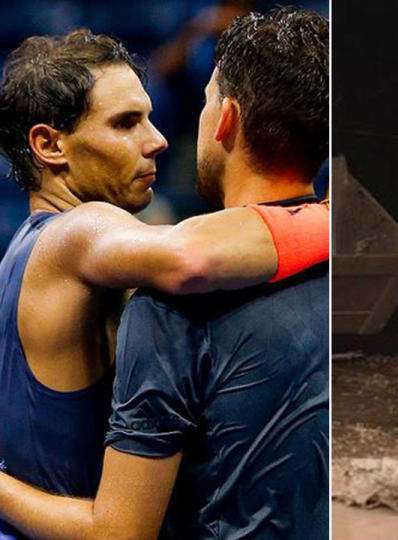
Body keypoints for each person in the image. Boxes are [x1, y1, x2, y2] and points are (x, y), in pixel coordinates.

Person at [0, 7, 328, 539]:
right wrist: (334, 217)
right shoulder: (75, 232)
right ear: (49, 145)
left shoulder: (41, 249)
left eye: (149, 117)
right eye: (125, 123)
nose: (157, 140)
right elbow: (189, 258)